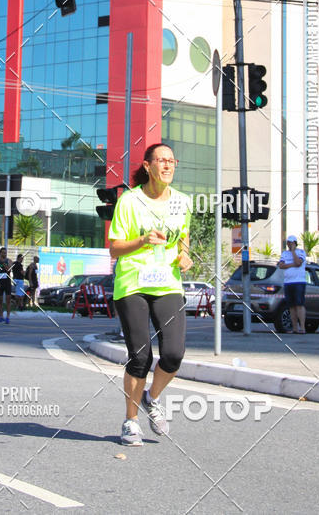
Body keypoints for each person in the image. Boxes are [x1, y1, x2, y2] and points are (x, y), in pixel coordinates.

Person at [108, 143, 192, 447]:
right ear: (147, 166)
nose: (168, 166)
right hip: (133, 284)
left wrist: (184, 255)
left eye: (172, 161)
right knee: (140, 356)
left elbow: (183, 237)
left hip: (168, 283)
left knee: (174, 354)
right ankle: (130, 421)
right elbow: (115, 248)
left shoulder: (182, 202)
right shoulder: (129, 201)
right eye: (161, 160)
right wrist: (143, 240)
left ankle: (151, 397)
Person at [278, 234, 307, 333]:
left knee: (299, 304)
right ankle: (295, 328)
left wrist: (294, 252)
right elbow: (281, 265)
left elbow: (298, 263)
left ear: (295, 243)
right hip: (288, 282)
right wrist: (293, 264)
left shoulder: (301, 252)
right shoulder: (284, 253)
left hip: (299, 282)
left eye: (291, 243)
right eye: (288, 243)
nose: (289, 245)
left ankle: (302, 327)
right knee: (291, 306)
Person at [0, 247, 13, 323]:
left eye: (5, 253)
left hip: (7, 282)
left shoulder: (9, 261)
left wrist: (4, 263)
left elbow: (9, 270)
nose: (5, 254)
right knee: (0, 301)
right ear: (0, 253)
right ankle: (1, 316)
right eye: (3, 253)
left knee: (8, 300)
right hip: (0, 282)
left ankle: (7, 317)